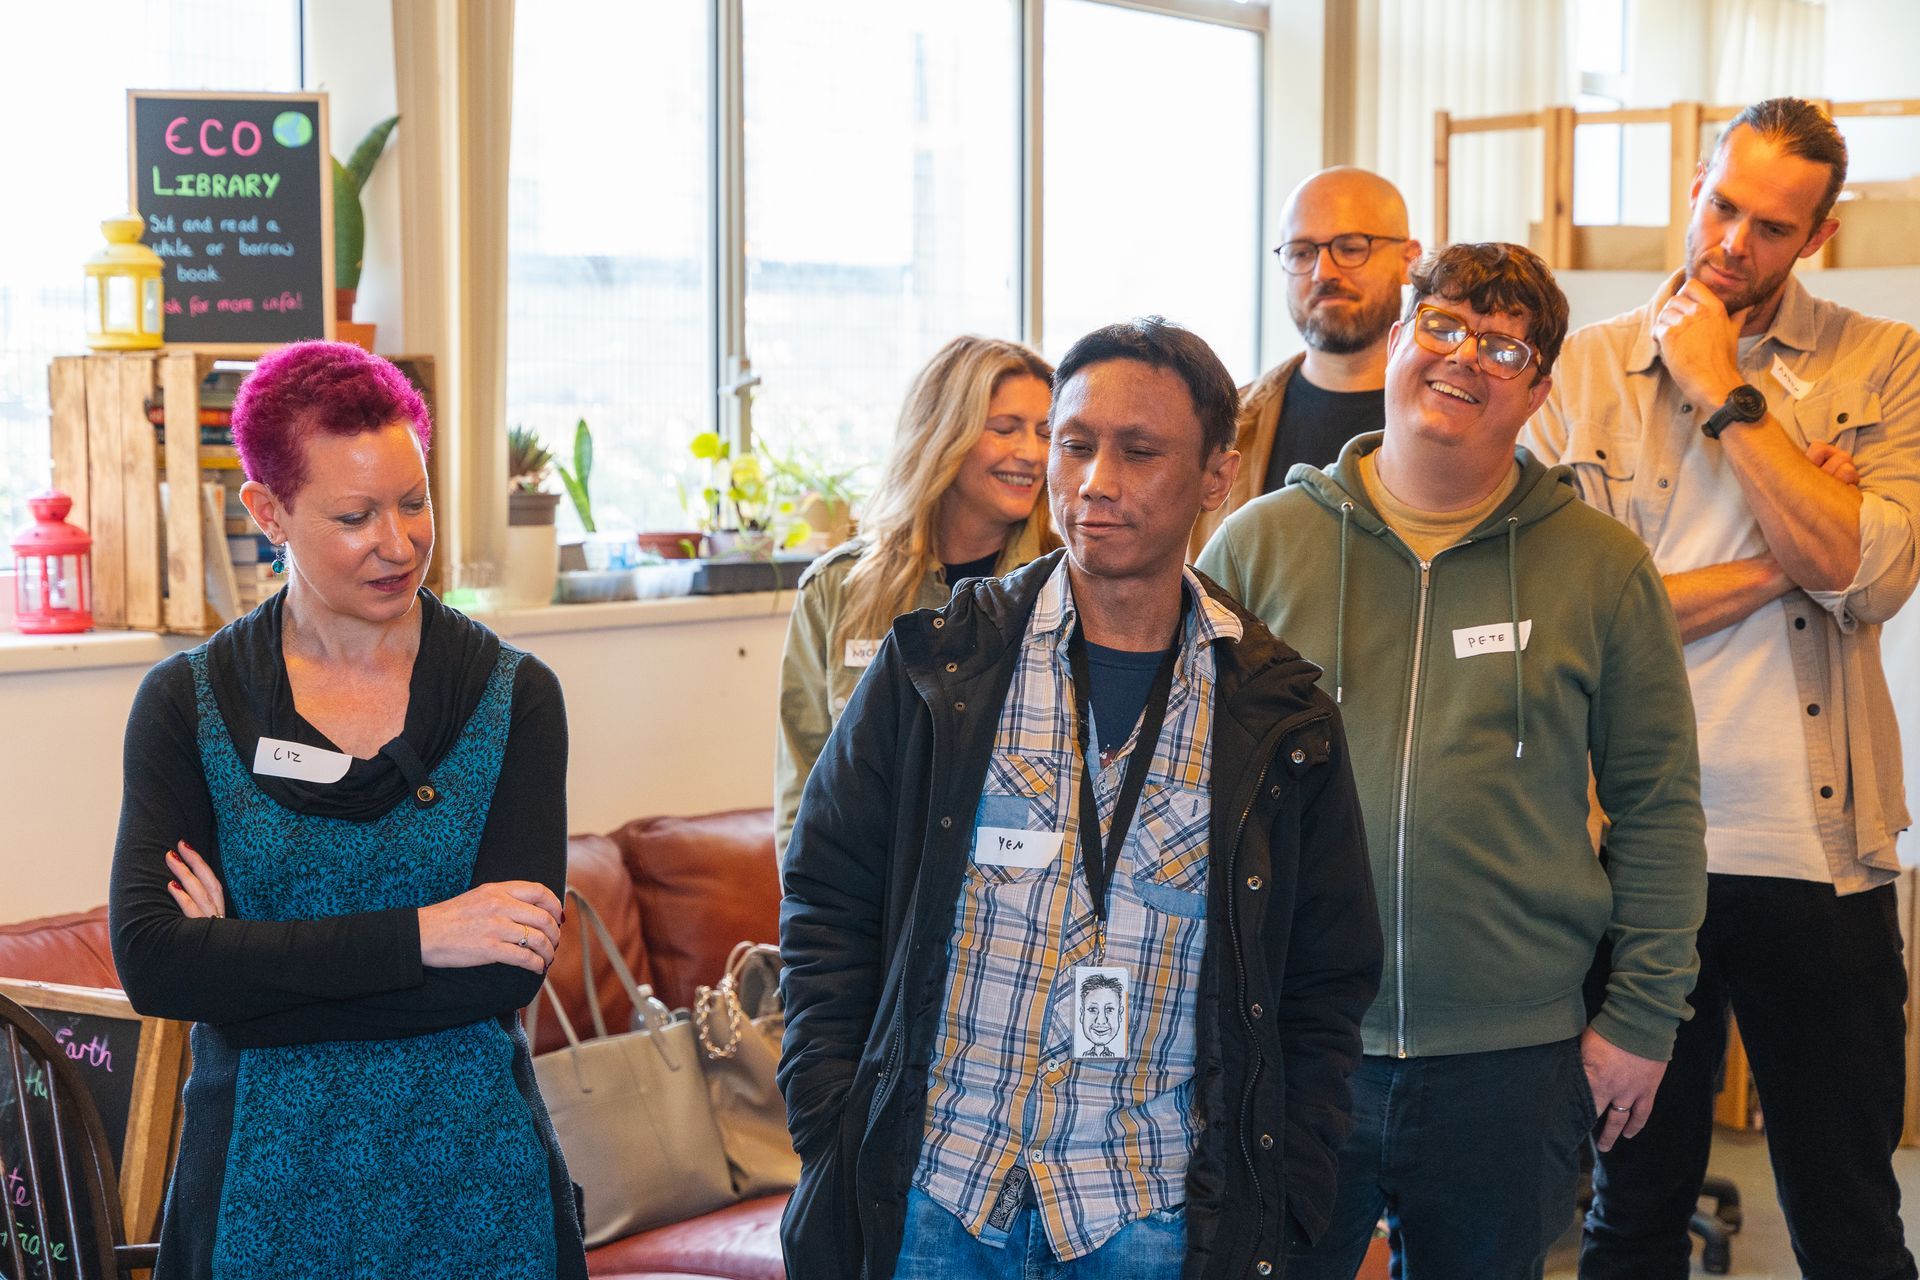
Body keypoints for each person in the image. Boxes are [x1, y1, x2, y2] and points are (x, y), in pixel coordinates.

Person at [778, 317, 1381, 1280]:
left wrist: (1289, 1181)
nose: (1096, 481)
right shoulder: (940, 668)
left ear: (1216, 477)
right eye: (1076, 444)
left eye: (1139, 452)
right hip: (939, 1200)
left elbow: (1324, 977)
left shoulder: (1278, 714)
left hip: (1151, 1214)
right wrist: (830, 1124)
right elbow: (828, 901)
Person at [1199, 243, 1707, 1280]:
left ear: (1539, 391)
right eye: (1442, 326)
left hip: (1510, 1062)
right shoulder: (1257, 548)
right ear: (1398, 340)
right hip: (1293, 1040)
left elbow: (1660, 807)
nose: (1465, 357)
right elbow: (1177, 787)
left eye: (1504, 347)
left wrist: (1644, 1018)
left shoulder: (1602, 569)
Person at [1524, 97, 1920, 1280]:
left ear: (1820, 235)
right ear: (1695, 183)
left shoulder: (1884, 361)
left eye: (1774, 226)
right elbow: (1576, 617)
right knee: (1630, 1218)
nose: (1735, 243)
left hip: (1823, 855)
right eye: (1724, 206)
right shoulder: (1582, 369)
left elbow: (1874, 575)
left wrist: (1724, 395)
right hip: (1633, 856)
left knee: (1853, 1223)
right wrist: (1784, 557)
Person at [108, 341, 587, 1279]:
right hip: (257, 1195)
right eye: (355, 516)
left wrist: (245, 970)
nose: (398, 544)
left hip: (478, 1191)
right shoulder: (186, 704)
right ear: (268, 512)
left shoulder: (514, 696)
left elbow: (500, 978)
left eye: (414, 502)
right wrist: (425, 935)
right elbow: (158, 966)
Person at [775, 335, 1056, 860]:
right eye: (1005, 429)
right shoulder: (836, 589)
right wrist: (809, 907)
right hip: (870, 891)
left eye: (1045, 432)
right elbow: (803, 788)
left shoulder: (1065, 585)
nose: (1032, 453)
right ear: (943, 433)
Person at [1189, 166, 1419, 556]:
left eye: (1350, 248)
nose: (1322, 273)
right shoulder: (1228, 429)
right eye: (1301, 253)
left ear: (1408, 260)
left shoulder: (1456, 420)